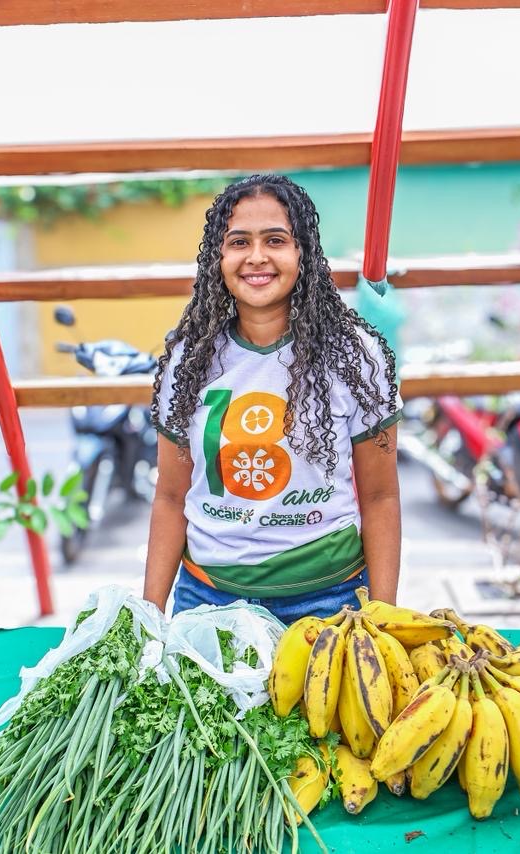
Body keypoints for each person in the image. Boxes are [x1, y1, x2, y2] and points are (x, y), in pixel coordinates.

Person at [143, 175, 403, 623]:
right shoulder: (188, 361)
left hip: (331, 601)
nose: (257, 257)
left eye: (276, 240)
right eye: (239, 241)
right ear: (217, 258)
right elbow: (169, 497)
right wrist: (148, 614)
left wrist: (382, 618)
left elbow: (380, 496)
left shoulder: (354, 356)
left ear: (303, 254)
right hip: (208, 598)